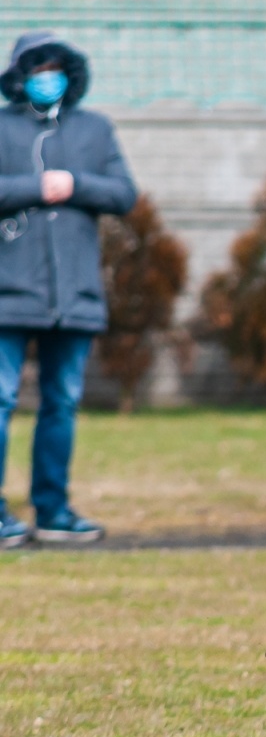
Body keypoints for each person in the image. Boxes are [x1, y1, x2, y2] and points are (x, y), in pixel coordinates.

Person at [0, 31, 137, 548]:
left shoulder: (96, 131)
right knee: (1, 398)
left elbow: (124, 194)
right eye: (37, 69)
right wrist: (37, 187)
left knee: (62, 402)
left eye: (55, 68)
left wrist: (74, 183)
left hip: (73, 298)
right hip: (8, 294)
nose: (46, 77)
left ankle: (53, 511)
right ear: (19, 75)